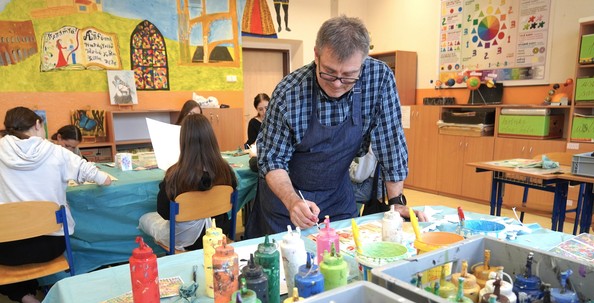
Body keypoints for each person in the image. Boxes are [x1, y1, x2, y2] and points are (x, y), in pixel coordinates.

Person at [247, 15, 426, 237]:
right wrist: (292, 201)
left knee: (346, 252)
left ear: (363, 62)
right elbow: (272, 159)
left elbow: (391, 144)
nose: (338, 84)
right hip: (287, 199)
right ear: (316, 55)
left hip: (338, 196)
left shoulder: (379, 79)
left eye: (349, 76)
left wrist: (396, 201)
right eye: (329, 72)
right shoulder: (290, 92)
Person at [0, 106, 111, 303]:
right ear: (38, 124)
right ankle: (37, 301)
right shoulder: (57, 152)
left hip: (7, 250)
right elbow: (101, 178)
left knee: (10, 254)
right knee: (35, 248)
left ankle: (28, 301)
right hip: (51, 245)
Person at [139, 114, 237, 251]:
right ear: (211, 138)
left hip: (187, 241)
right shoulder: (226, 170)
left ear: (183, 141)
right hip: (219, 234)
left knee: (145, 219)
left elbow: (164, 212)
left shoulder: (175, 174)